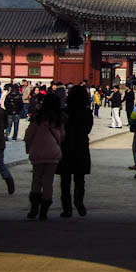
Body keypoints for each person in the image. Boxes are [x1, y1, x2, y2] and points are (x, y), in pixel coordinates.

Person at [23, 92, 65, 220]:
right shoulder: (58, 119)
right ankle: (44, 211)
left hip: (38, 152)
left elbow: (28, 135)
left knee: (36, 180)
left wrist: (28, 148)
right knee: (48, 182)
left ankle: (34, 208)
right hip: (53, 153)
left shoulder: (38, 118)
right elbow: (62, 136)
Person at [57, 84, 94, 217]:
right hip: (81, 146)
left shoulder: (64, 112)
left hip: (66, 147)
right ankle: (79, 202)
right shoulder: (87, 113)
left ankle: (67, 208)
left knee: (65, 180)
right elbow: (88, 129)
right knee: (80, 179)